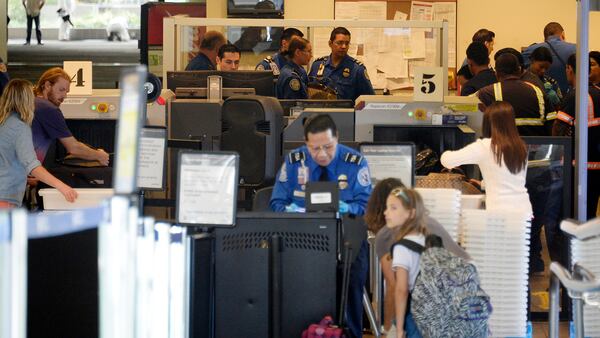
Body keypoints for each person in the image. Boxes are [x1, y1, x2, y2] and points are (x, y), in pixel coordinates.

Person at [269, 114, 371, 338]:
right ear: (306, 143)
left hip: (346, 238)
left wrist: (346, 208)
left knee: (352, 286)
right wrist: (291, 212)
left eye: (328, 147)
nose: (322, 154)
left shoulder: (354, 163)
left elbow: (366, 206)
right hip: (303, 241)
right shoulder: (295, 162)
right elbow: (276, 203)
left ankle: (351, 333)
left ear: (337, 139)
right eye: (315, 149)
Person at [366, 178, 470, 334]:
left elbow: (396, 288)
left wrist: (390, 329)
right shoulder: (428, 221)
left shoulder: (386, 234)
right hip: (465, 294)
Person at [441, 101, 532, 217]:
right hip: (524, 210)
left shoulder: (485, 146)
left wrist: (445, 153)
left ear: (488, 123)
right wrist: (483, 184)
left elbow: (447, 160)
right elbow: (512, 179)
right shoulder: (520, 146)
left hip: (500, 212)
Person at [0, 79, 77, 208]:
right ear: (27, 100)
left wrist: (22, 175)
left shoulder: (4, 123)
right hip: (5, 197)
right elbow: (32, 165)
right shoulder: (20, 126)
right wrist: (62, 187)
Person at [553, 54, 600, 221]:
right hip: (596, 166)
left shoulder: (575, 96)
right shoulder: (597, 93)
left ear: (569, 69)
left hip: (577, 167)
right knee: (590, 212)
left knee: (573, 214)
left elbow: (559, 131)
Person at [32, 68, 109, 166]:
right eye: (61, 90)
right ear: (47, 85)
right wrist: (100, 155)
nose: (65, 96)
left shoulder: (32, 102)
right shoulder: (48, 108)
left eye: (66, 91)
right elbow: (74, 148)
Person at [477, 53, 551, 136]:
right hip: (536, 147)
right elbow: (552, 124)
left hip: (502, 146)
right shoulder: (537, 91)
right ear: (519, 71)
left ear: (496, 73)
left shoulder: (487, 93)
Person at [387, 187, 428, 338]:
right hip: (432, 312)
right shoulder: (427, 239)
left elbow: (401, 290)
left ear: (410, 213)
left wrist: (399, 330)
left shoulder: (402, 247)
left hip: (414, 314)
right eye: (387, 207)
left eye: (393, 208)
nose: (386, 212)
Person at [308, 27, 375, 101]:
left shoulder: (357, 69)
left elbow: (369, 99)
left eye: (347, 43)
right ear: (330, 43)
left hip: (345, 111)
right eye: (339, 43)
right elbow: (309, 92)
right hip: (318, 111)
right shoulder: (317, 65)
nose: (344, 47)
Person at [522, 22, 577, 94]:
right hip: (570, 96)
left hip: (538, 95)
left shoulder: (530, 50)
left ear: (545, 37)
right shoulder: (576, 49)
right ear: (563, 34)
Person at [526, 46, 563, 111]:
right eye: (541, 67)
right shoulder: (520, 80)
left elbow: (560, 109)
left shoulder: (551, 83)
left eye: (546, 68)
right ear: (532, 61)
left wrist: (556, 102)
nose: (543, 71)